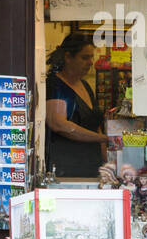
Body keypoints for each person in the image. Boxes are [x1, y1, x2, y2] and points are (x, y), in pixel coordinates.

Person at [45, 31, 110, 179]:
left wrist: (106, 162)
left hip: (92, 167)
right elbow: (58, 124)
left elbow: (96, 126)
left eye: (91, 57)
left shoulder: (86, 86)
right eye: (85, 57)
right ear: (68, 57)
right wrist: (103, 139)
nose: (90, 62)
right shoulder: (55, 84)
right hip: (66, 170)